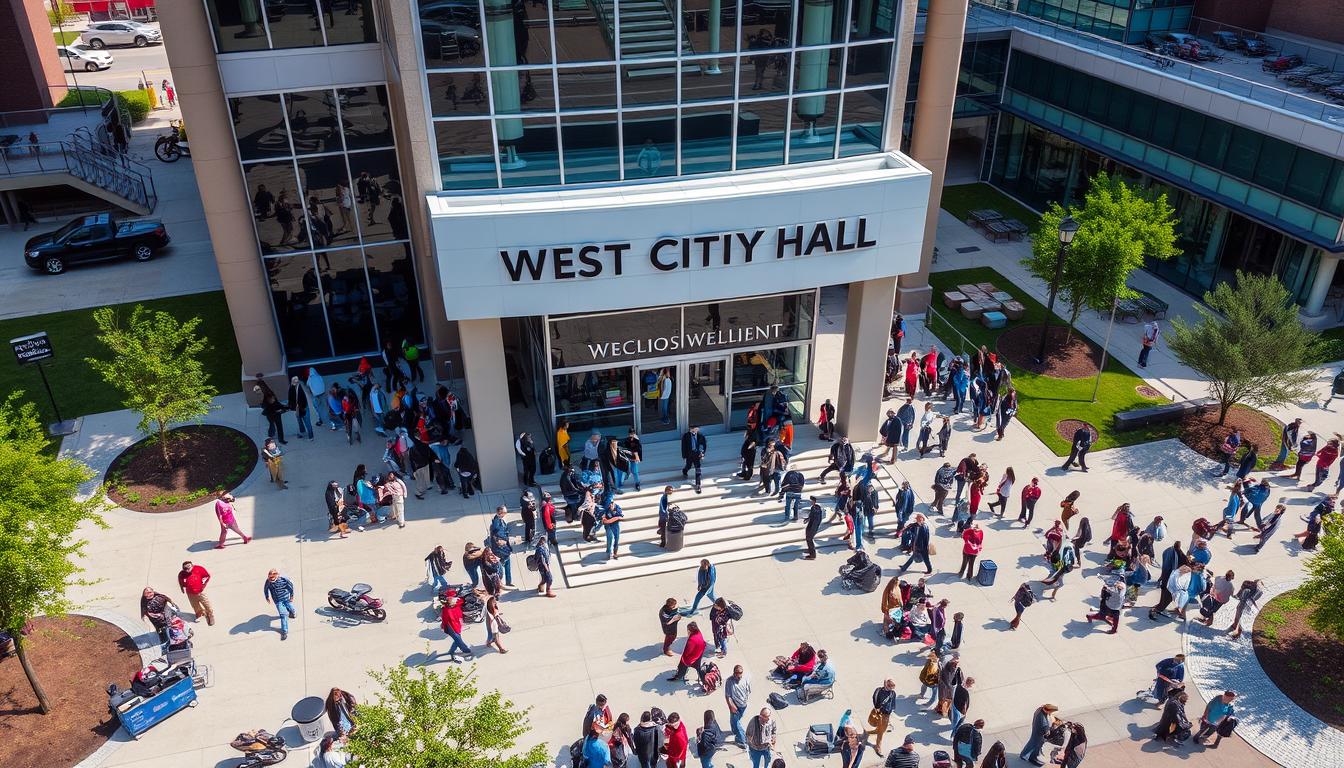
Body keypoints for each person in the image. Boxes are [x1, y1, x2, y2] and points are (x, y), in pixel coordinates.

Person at [438, 589, 474, 662]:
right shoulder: (447, 609)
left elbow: (461, 600)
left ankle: (451, 651)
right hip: (451, 626)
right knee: (458, 638)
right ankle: (466, 650)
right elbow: (444, 619)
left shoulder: (456, 603)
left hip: (456, 624)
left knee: (457, 638)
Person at [177, 560, 214, 626]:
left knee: (206, 603)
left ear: (192, 566)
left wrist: (203, 585)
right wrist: (182, 588)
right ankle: (199, 614)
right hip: (190, 593)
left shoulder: (199, 569)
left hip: (200, 592)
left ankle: (210, 614)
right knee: (195, 605)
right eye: (185, 568)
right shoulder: (182, 574)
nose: (187, 570)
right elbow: (180, 581)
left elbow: (206, 576)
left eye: (189, 567)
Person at [263, 569, 297, 641]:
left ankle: (293, 612)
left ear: (277, 575)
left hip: (286, 597)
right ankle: (284, 631)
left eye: (273, 578)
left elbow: (290, 587)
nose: (271, 580)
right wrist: (267, 597)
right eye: (270, 578)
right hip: (278, 601)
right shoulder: (268, 581)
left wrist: (291, 596)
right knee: (283, 615)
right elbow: (266, 588)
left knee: (289, 605)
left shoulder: (284, 579)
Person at [867, 679, 898, 756]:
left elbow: (893, 703)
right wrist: (877, 707)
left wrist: (891, 711)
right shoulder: (879, 690)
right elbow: (874, 698)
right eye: (891, 686)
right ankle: (877, 746)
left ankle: (874, 741)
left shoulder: (893, 693)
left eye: (893, 687)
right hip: (879, 713)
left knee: (881, 731)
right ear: (886, 685)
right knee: (880, 730)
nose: (892, 689)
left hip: (886, 715)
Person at [489, 505, 515, 587]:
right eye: (504, 512)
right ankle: (499, 581)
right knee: (501, 564)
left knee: (507, 563)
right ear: (500, 513)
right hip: (500, 548)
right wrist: (507, 538)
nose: (505, 514)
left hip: (503, 547)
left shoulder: (500, 520)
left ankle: (508, 581)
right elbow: (497, 533)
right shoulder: (496, 522)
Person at [682, 426, 707, 493]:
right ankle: (685, 470)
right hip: (689, 455)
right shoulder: (686, 436)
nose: (693, 430)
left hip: (697, 454)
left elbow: (703, 445)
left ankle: (698, 485)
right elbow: (683, 446)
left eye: (695, 429)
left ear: (697, 429)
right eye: (692, 429)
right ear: (689, 429)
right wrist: (684, 456)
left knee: (698, 469)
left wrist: (702, 453)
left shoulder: (700, 435)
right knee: (688, 465)